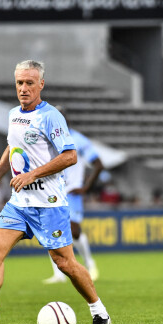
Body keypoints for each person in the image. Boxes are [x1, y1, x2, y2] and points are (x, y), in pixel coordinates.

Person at [0, 60, 111, 324]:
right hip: (19, 203)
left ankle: (100, 313)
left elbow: (70, 156)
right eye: (19, 83)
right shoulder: (14, 114)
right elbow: (12, 147)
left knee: (65, 264)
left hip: (49, 204)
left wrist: (33, 175)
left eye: (29, 83)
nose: (23, 88)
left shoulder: (51, 116)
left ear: (41, 84)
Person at [43, 109, 104, 284]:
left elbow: (98, 165)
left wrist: (85, 188)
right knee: (51, 232)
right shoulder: (47, 140)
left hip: (71, 193)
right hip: (53, 192)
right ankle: (58, 274)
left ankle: (90, 263)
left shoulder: (79, 140)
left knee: (74, 231)